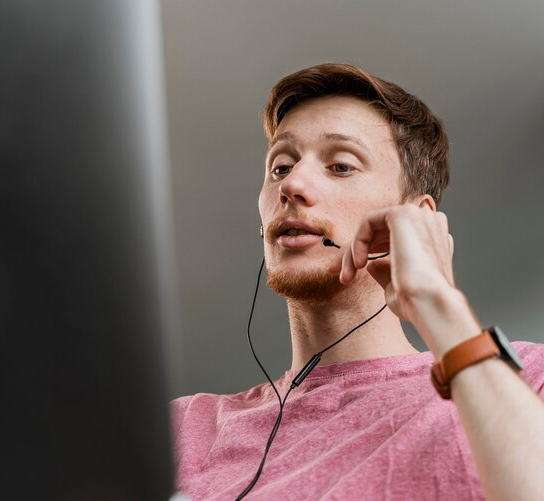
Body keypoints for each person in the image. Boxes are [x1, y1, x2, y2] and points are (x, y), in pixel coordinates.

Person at [171, 64, 544, 500]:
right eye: (280, 166)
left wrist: (439, 303)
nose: (292, 184)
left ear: (416, 218)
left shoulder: (523, 379)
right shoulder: (181, 428)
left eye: (341, 166)